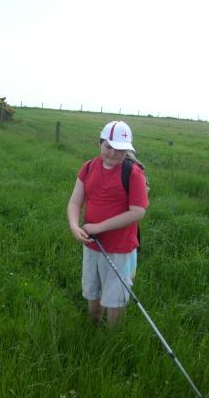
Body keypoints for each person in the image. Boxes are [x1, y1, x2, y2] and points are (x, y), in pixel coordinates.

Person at [67, 121, 149, 327]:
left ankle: (113, 338)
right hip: (92, 244)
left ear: (128, 150)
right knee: (92, 290)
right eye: (108, 146)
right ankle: (93, 326)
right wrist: (74, 226)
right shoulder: (88, 167)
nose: (113, 153)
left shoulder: (133, 173)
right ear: (100, 144)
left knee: (116, 298)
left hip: (120, 249)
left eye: (120, 149)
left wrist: (98, 227)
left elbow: (138, 212)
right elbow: (75, 201)